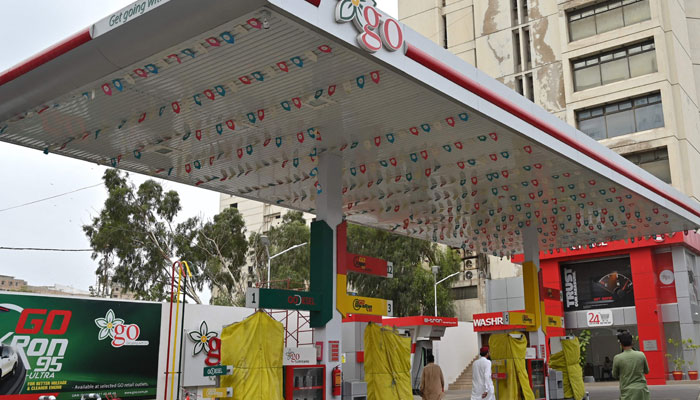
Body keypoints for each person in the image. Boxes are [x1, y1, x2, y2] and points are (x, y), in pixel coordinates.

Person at [612, 332, 650, 400]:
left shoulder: (617, 358)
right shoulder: (641, 355)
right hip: (642, 391)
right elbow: (647, 371)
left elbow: (614, 375)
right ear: (632, 342)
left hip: (627, 392)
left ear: (621, 344)